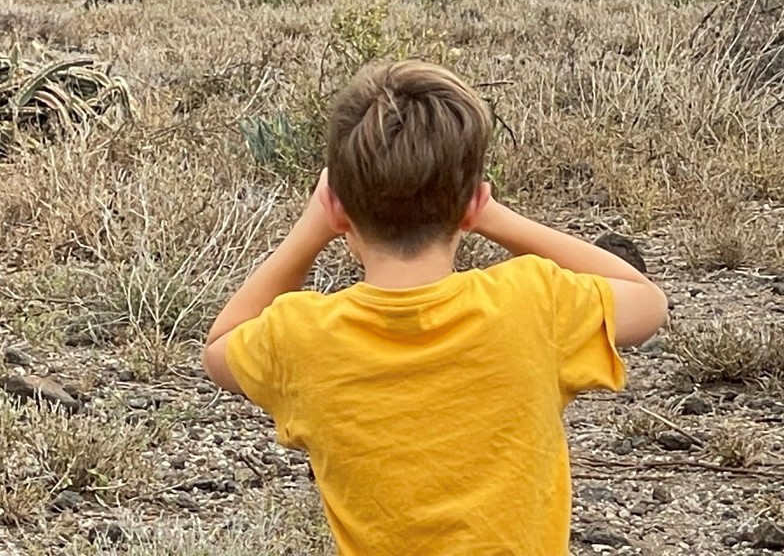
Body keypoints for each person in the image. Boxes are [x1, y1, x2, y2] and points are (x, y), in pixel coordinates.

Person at [203, 58, 668, 555]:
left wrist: (314, 227)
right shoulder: (533, 302)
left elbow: (219, 346)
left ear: (339, 208)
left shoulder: (301, 336)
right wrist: (490, 215)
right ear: (470, 204)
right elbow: (646, 301)